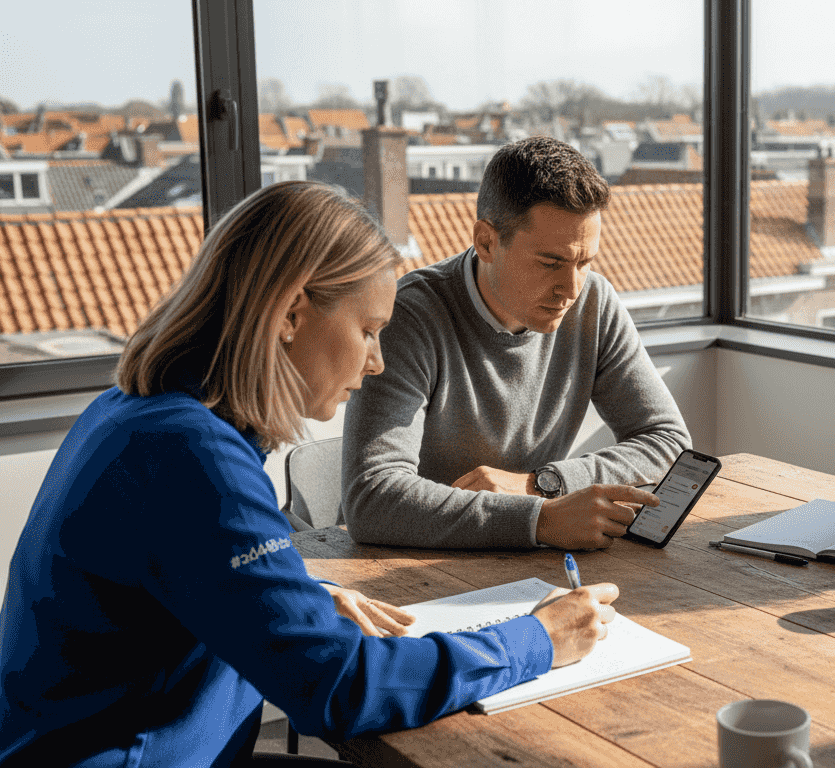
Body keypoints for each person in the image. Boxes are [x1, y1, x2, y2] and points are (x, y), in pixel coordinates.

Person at [0, 181, 619, 767]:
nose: (377, 361)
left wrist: (302, 597)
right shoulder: (191, 458)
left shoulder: (139, 413)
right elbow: (340, 689)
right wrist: (536, 639)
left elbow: (187, 585)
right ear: (293, 313)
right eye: (369, 330)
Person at [342, 136, 689, 551]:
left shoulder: (594, 303)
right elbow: (373, 498)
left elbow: (669, 443)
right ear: (486, 241)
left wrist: (543, 484)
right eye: (550, 263)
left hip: (529, 563)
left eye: (585, 262)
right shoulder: (410, 317)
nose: (571, 288)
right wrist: (539, 521)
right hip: (402, 568)